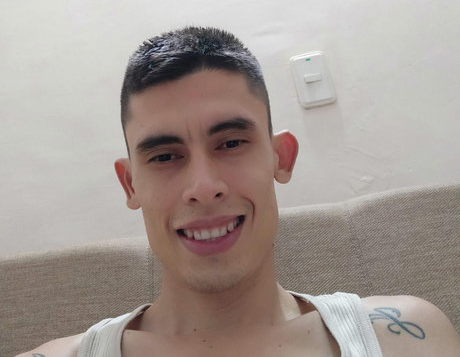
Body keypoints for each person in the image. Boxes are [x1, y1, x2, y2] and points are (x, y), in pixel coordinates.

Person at [19, 27, 459, 356]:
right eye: (165, 156)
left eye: (230, 144)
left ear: (280, 157)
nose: (204, 187)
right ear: (130, 183)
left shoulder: (406, 336)